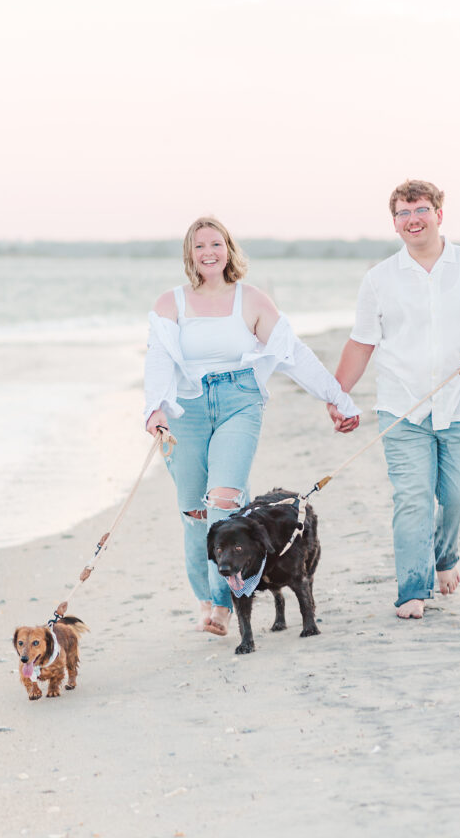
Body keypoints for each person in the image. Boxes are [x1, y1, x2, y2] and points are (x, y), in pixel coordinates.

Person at [144, 216, 360, 637]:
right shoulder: (170, 303)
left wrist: (337, 398)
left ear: (229, 249)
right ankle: (205, 599)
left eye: (216, 244)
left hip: (238, 402)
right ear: (190, 253)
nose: (209, 252)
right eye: (200, 245)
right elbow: (158, 359)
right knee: (194, 511)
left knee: (223, 501)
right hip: (185, 410)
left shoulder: (252, 300)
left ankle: (225, 605)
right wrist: (155, 408)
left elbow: (293, 354)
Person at [328, 180, 460, 620]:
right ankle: (412, 590)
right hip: (402, 407)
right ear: (394, 223)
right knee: (413, 498)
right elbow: (361, 343)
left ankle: (445, 555)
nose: (412, 219)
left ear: (439, 213)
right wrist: (337, 395)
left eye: (420, 209)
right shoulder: (379, 278)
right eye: (402, 213)